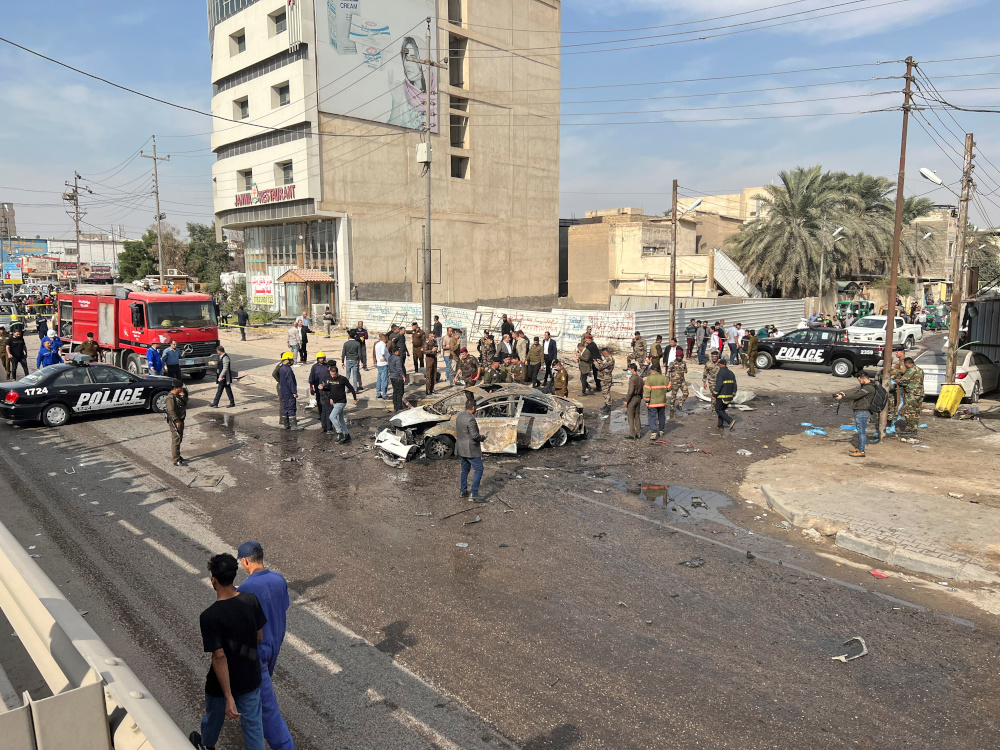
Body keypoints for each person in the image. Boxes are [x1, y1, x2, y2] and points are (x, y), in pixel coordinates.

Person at [189, 554, 267, 750]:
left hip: (220, 683)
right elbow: (259, 637)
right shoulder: (251, 600)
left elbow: (219, 656)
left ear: (213, 579)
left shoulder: (209, 616)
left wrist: (229, 696)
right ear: (233, 577)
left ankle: (206, 746)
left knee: (213, 719)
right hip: (249, 677)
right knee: (253, 726)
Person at [234, 542, 293, 750]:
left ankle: (285, 746)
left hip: (257, 652)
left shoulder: (247, 589)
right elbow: (280, 605)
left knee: (266, 707)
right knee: (260, 695)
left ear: (245, 561)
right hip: (275, 643)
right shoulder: (278, 579)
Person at [836, 371, 876, 458]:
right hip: (861, 410)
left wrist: (843, 397)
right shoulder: (866, 386)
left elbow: (856, 396)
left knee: (861, 432)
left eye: (859, 380)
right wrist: (845, 395)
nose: (859, 382)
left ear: (864, 378)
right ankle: (860, 448)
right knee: (860, 430)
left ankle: (861, 451)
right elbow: (857, 394)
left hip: (862, 411)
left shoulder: (869, 388)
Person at [456, 397, 487, 502]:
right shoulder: (471, 419)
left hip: (461, 448)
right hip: (471, 449)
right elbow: (474, 436)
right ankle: (474, 492)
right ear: (473, 408)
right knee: (479, 469)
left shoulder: (460, 416)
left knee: (464, 470)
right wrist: (482, 437)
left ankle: (463, 491)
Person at [321, 363, 358, 442]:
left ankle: (339, 433)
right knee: (340, 419)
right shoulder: (330, 379)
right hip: (334, 401)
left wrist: (355, 398)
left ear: (337, 373)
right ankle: (347, 435)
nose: (333, 376)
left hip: (341, 401)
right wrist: (323, 388)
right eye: (331, 374)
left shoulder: (342, 379)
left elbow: (351, 388)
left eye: (334, 374)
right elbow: (329, 388)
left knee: (332, 417)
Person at [896, 357, 925, 435]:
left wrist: (897, 380)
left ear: (907, 363)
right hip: (920, 393)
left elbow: (903, 381)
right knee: (916, 411)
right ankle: (914, 428)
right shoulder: (920, 370)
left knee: (910, 411)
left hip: (912, 393)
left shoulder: (911, 370)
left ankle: (910, 429)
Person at [165, 380, 189, 466]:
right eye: (180, 388)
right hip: (175, 421)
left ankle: (178, 455)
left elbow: (184, 405)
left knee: (179, 438)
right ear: (176, 388)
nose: (182, 389)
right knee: (176, 439)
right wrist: (177, 421)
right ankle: (176, 459)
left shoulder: (177, 396)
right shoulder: (170, 398)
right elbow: (171, 411)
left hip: (180, 419)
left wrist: (183, 397)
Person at [643, 364, 669, 441]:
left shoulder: (649, 379)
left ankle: (654, 432)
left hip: (653, 402)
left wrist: (647, 400)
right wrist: (663, 391)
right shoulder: (663, 378)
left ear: (651, 370)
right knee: (661, 416)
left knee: (652, 416)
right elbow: (670, 387)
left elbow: (647, 391)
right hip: (662, 401)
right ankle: (661, 430)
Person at [278, 352, 303, 430]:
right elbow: (291, 382)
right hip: (289, 392)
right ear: (288, 360)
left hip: (283, 391)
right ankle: (294, 426)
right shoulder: (288, 370)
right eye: (292, 360)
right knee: (291, 407)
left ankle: (286, 424)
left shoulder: (282, 368)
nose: (293, 361)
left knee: (285, 407)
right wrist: (294, 392)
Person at [713, 360, 737, 431]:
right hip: (729, 396)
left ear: (720, 365)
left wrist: (714, 394)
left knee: (718, 409)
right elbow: (734, 385)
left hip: (722, 396)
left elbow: (719, 385)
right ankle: (720, 426)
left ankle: (730, 421)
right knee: (722, 410)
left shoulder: (720, 373)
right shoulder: (731, 373)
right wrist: (733, 394)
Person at [666, 348, 688, 416]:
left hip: (682, 381)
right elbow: (668, 371)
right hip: (674, 382)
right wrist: (667, 380)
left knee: (686, 393)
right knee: (673, 396)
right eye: (678, 356)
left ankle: (679, 404)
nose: (679, 357)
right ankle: (672, 408)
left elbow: (686, 370)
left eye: (680, 356)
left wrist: (684, 371)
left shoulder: (683, 363)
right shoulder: (672, 363)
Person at [623, 363, 644, 439]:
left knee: (630, 417)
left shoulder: (632, 379)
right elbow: (642, 390)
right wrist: (640, 397)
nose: (629, 371)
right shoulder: (640, 379)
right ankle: (638, 433)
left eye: (629, 369)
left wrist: (626, 400)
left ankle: (633, 434)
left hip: (633, 398)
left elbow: (630, 391)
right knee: (637, 416)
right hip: (638, 398)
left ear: (632, 369)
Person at [388, 345, 407, 412]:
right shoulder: (397, 358)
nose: (400, 352)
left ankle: (395, 406)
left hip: (392, 377)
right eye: (399, 351)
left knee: (395, 392)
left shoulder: (390, 357)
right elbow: (399, 368)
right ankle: (399, 407)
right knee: (400, 392)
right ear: (396, 351)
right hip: (398, 377)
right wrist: (403, 376)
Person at [374, 333, 389, 399]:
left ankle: (378, 393)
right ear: (385, 339)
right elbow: (383, 352)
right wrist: (384, 357)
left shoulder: (377, 344)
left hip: (379, 364)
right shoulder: (383, 345)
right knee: (384, 379)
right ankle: (384, 393)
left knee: (379, 379)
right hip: (383, 364)